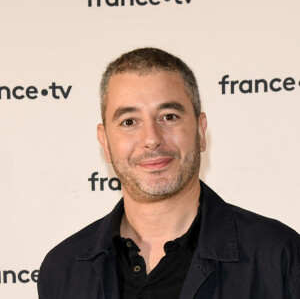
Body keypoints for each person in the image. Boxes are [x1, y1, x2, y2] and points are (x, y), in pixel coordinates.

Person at [38, 48, 300, 299]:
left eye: (169, 116)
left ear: (200, 132)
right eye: (129, 122)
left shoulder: (280, 257)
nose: (151, 139)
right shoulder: (63, 269)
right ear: (105, 142)